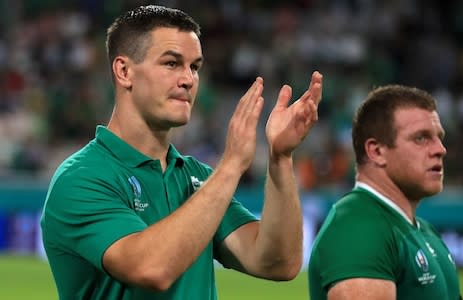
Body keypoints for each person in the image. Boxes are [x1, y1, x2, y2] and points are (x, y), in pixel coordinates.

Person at [40, 5, 323, 300]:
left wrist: (280, 158)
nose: (188, 79)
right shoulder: (81, 179)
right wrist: (231, 165)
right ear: (124, 71)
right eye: (172, 63)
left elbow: (278, 262)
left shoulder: (196, 178)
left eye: (195, 67)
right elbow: (151, 269)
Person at [308, 85, 462, 300]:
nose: (440, 149)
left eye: (439, 137)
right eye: (421, 138)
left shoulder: (425, 231)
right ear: (377, 151)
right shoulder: (358, 228)